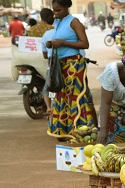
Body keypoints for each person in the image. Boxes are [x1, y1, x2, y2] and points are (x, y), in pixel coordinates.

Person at [45, 0, 97, 139]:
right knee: (62, 97)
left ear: (66, 7)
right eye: (54, 10)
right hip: (61, 65)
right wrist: (51, 44)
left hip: (74, 64)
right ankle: (64, 130)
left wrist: (63, 43)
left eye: (59, 10)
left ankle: (81, 131)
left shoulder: (74, 22)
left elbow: (85, 44)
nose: (56, 14)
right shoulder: (58, 22)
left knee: (75, 97)